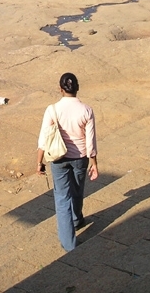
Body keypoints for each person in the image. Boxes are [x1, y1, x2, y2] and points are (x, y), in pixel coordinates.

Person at [37, 73, 98, 252]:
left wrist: (39, 161)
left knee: (62, 198)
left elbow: (44, 138)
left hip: (58, 159)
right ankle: (77, 219)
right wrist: (94, 162)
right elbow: (90, 141)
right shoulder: (86, 110)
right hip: (80, 158)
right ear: (77, 87)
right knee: (78, 190)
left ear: (60, 88)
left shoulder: (52, 109)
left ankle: (69, 244)